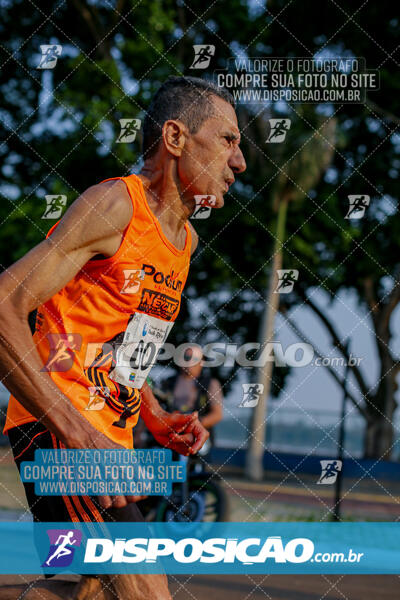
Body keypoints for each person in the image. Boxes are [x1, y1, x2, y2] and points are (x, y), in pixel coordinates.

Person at [0, 76, 246, 599]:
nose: (240, 162)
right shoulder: (115, 205)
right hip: (60, 430)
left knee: (85, 589)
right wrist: (77, 434)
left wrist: (154, 416)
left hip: (104, 438)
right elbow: (4, 304)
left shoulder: (184, 241)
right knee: (146, 591)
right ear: (176, 139)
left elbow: (125, 349)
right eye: (227, 140)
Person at [162, 345, 223, 454]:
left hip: (197, 439)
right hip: (169, 437)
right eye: (186, 357)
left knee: (197, 468)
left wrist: (195, 424)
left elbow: (217, 414)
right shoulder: (169, 382)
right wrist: (139, 434)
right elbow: (154, 408)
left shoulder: (211, 384)